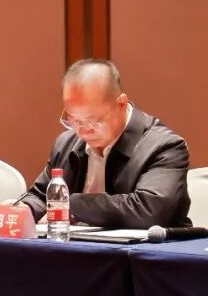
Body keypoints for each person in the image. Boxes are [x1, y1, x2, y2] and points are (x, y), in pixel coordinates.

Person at [19, 59, 190, 228]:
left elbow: (149, 210)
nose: (83, 132)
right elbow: (41, 196)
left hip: (145, 246)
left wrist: (73, 206)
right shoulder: (66, 144)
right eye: (73, 120)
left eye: (93, 121)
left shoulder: (164, 147)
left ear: (121, 104)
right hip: (74, 244)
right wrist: (24, 208)